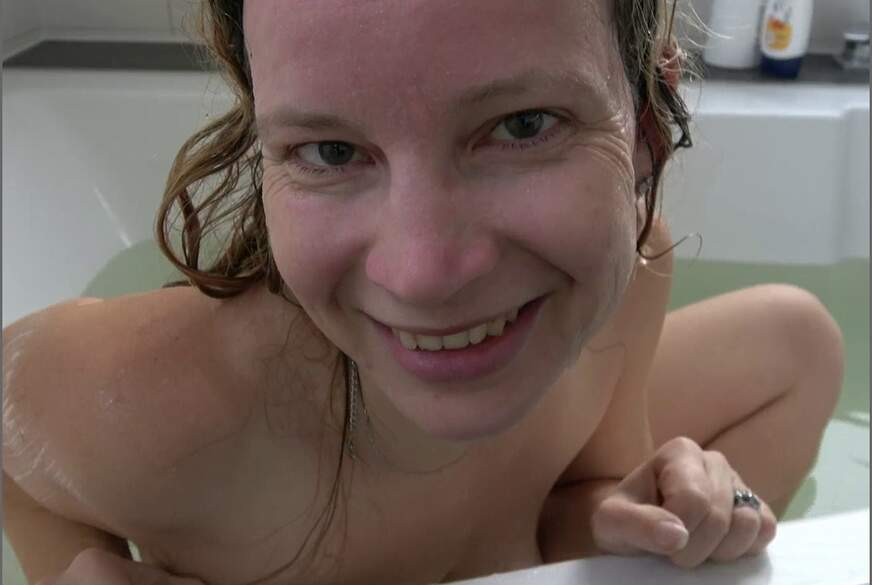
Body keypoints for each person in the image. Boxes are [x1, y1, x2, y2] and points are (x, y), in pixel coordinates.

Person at [3, 1, 846, 584]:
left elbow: (570, 488)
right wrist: (67, 567)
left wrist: (617, 515)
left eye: (522, 126)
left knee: (798, 339)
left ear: (648, 125)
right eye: (331, 151)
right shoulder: (176, 405)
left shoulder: (635, 268)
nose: (425, 274)